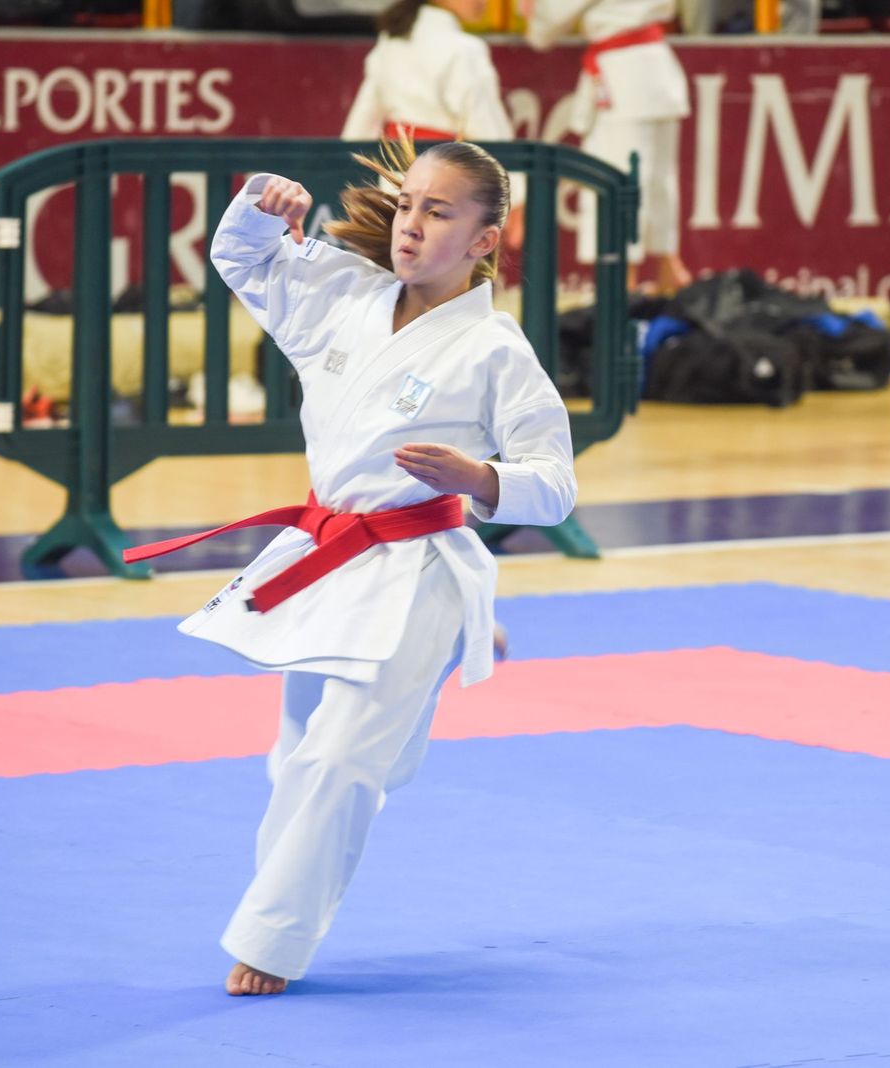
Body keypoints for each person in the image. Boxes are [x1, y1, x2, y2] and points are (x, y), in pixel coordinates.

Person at [125, 139, 576, 996]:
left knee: (343, 761)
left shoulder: (495, 351)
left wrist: (482, 480)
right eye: (408, 205)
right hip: (329, 555)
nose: (411, 225)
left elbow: (554, 485)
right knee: (297, 754)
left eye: (438, 213)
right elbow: (239, 258)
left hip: (419, 569)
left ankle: (271, 941)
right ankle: (278, 904)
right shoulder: (343, 297)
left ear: (485, 242)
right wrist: (264, 203)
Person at [522, 0, 693, 293]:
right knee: (658, 183)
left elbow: (548, 23)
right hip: (656, 69)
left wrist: (534, 14)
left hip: (625, 78)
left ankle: (622, 288)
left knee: (616, 184)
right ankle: (669, 271)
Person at [342, 0, 526, 248]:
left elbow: (357, 131)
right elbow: (490, 131)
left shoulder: (390, 43)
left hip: (393, 182)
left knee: (393, 269)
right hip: (448, 182)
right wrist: (516, 198)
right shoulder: (464, 50)